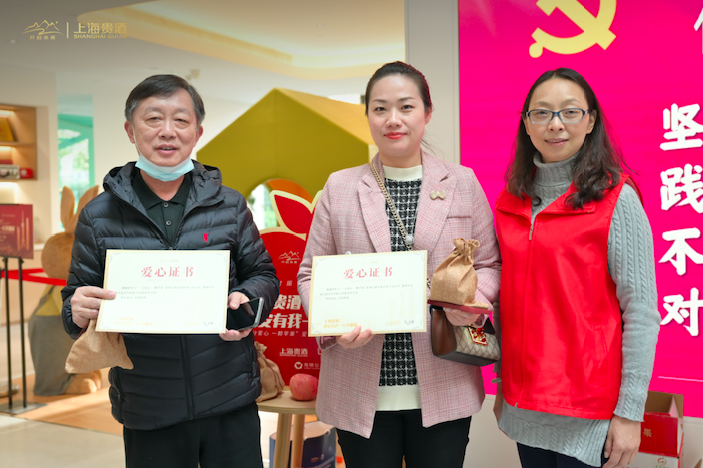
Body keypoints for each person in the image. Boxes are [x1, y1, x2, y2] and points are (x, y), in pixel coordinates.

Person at [61, 74, 280, 468]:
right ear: (130, 130)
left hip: (229, 396)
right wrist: (76, 309)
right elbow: (74, 301)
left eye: (180, 120)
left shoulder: (229, 205)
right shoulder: (98, 215)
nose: (167, 131)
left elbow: (263, 275)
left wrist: (247, 301)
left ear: (197, 132)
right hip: (148, 404)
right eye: (153, 118)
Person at [297, 61, 501, 468]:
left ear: (427, 112)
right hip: (358, 381)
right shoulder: (340, 186)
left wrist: (471, 302)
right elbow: (310, 274)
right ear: (368, 115)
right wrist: (334, 325)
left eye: (406, 107)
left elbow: (490, 264)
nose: (393, 120)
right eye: (380, 108)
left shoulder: (462, 182)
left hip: (445, 377)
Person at [493, 68, 659, 468]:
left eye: (570, 112)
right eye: (541, 113)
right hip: (523, 405)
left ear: (590, 121)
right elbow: (505, 303)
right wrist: (501, 384)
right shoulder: (510, 202)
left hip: (589, 411)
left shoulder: (615, 199)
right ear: (526, 123)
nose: (555, 125)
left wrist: (630, 413)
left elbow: (641, 312)